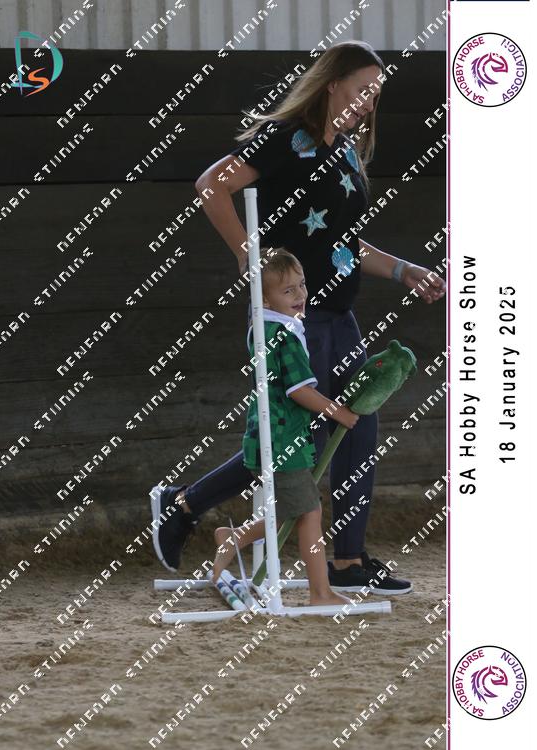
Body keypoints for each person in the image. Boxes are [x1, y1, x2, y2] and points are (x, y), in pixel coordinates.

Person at [150, 40, 446, 593]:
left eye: (375, 95)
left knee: (358, 426)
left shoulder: (345, 152)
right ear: (332, 83)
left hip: (339, 313)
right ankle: (185, 503)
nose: (368, 102)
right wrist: (248, 256)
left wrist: (403, 270)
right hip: (293, 317)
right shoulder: (288, 137)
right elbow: (211, 185)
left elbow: (343, 241)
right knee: (293, 434)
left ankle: (349, 562)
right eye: (361, 89)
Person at [212, 247, 358, 606]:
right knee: (310, 512)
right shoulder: (285, 336)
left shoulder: (264, 328)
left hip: (269, 436)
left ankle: (234, 537)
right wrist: (337, 412)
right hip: (282, 440)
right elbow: (300, 391)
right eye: (288, 290)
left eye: (301, 285)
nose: (300, 294)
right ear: (264, 298)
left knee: (293, 509)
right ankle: (320, 593)